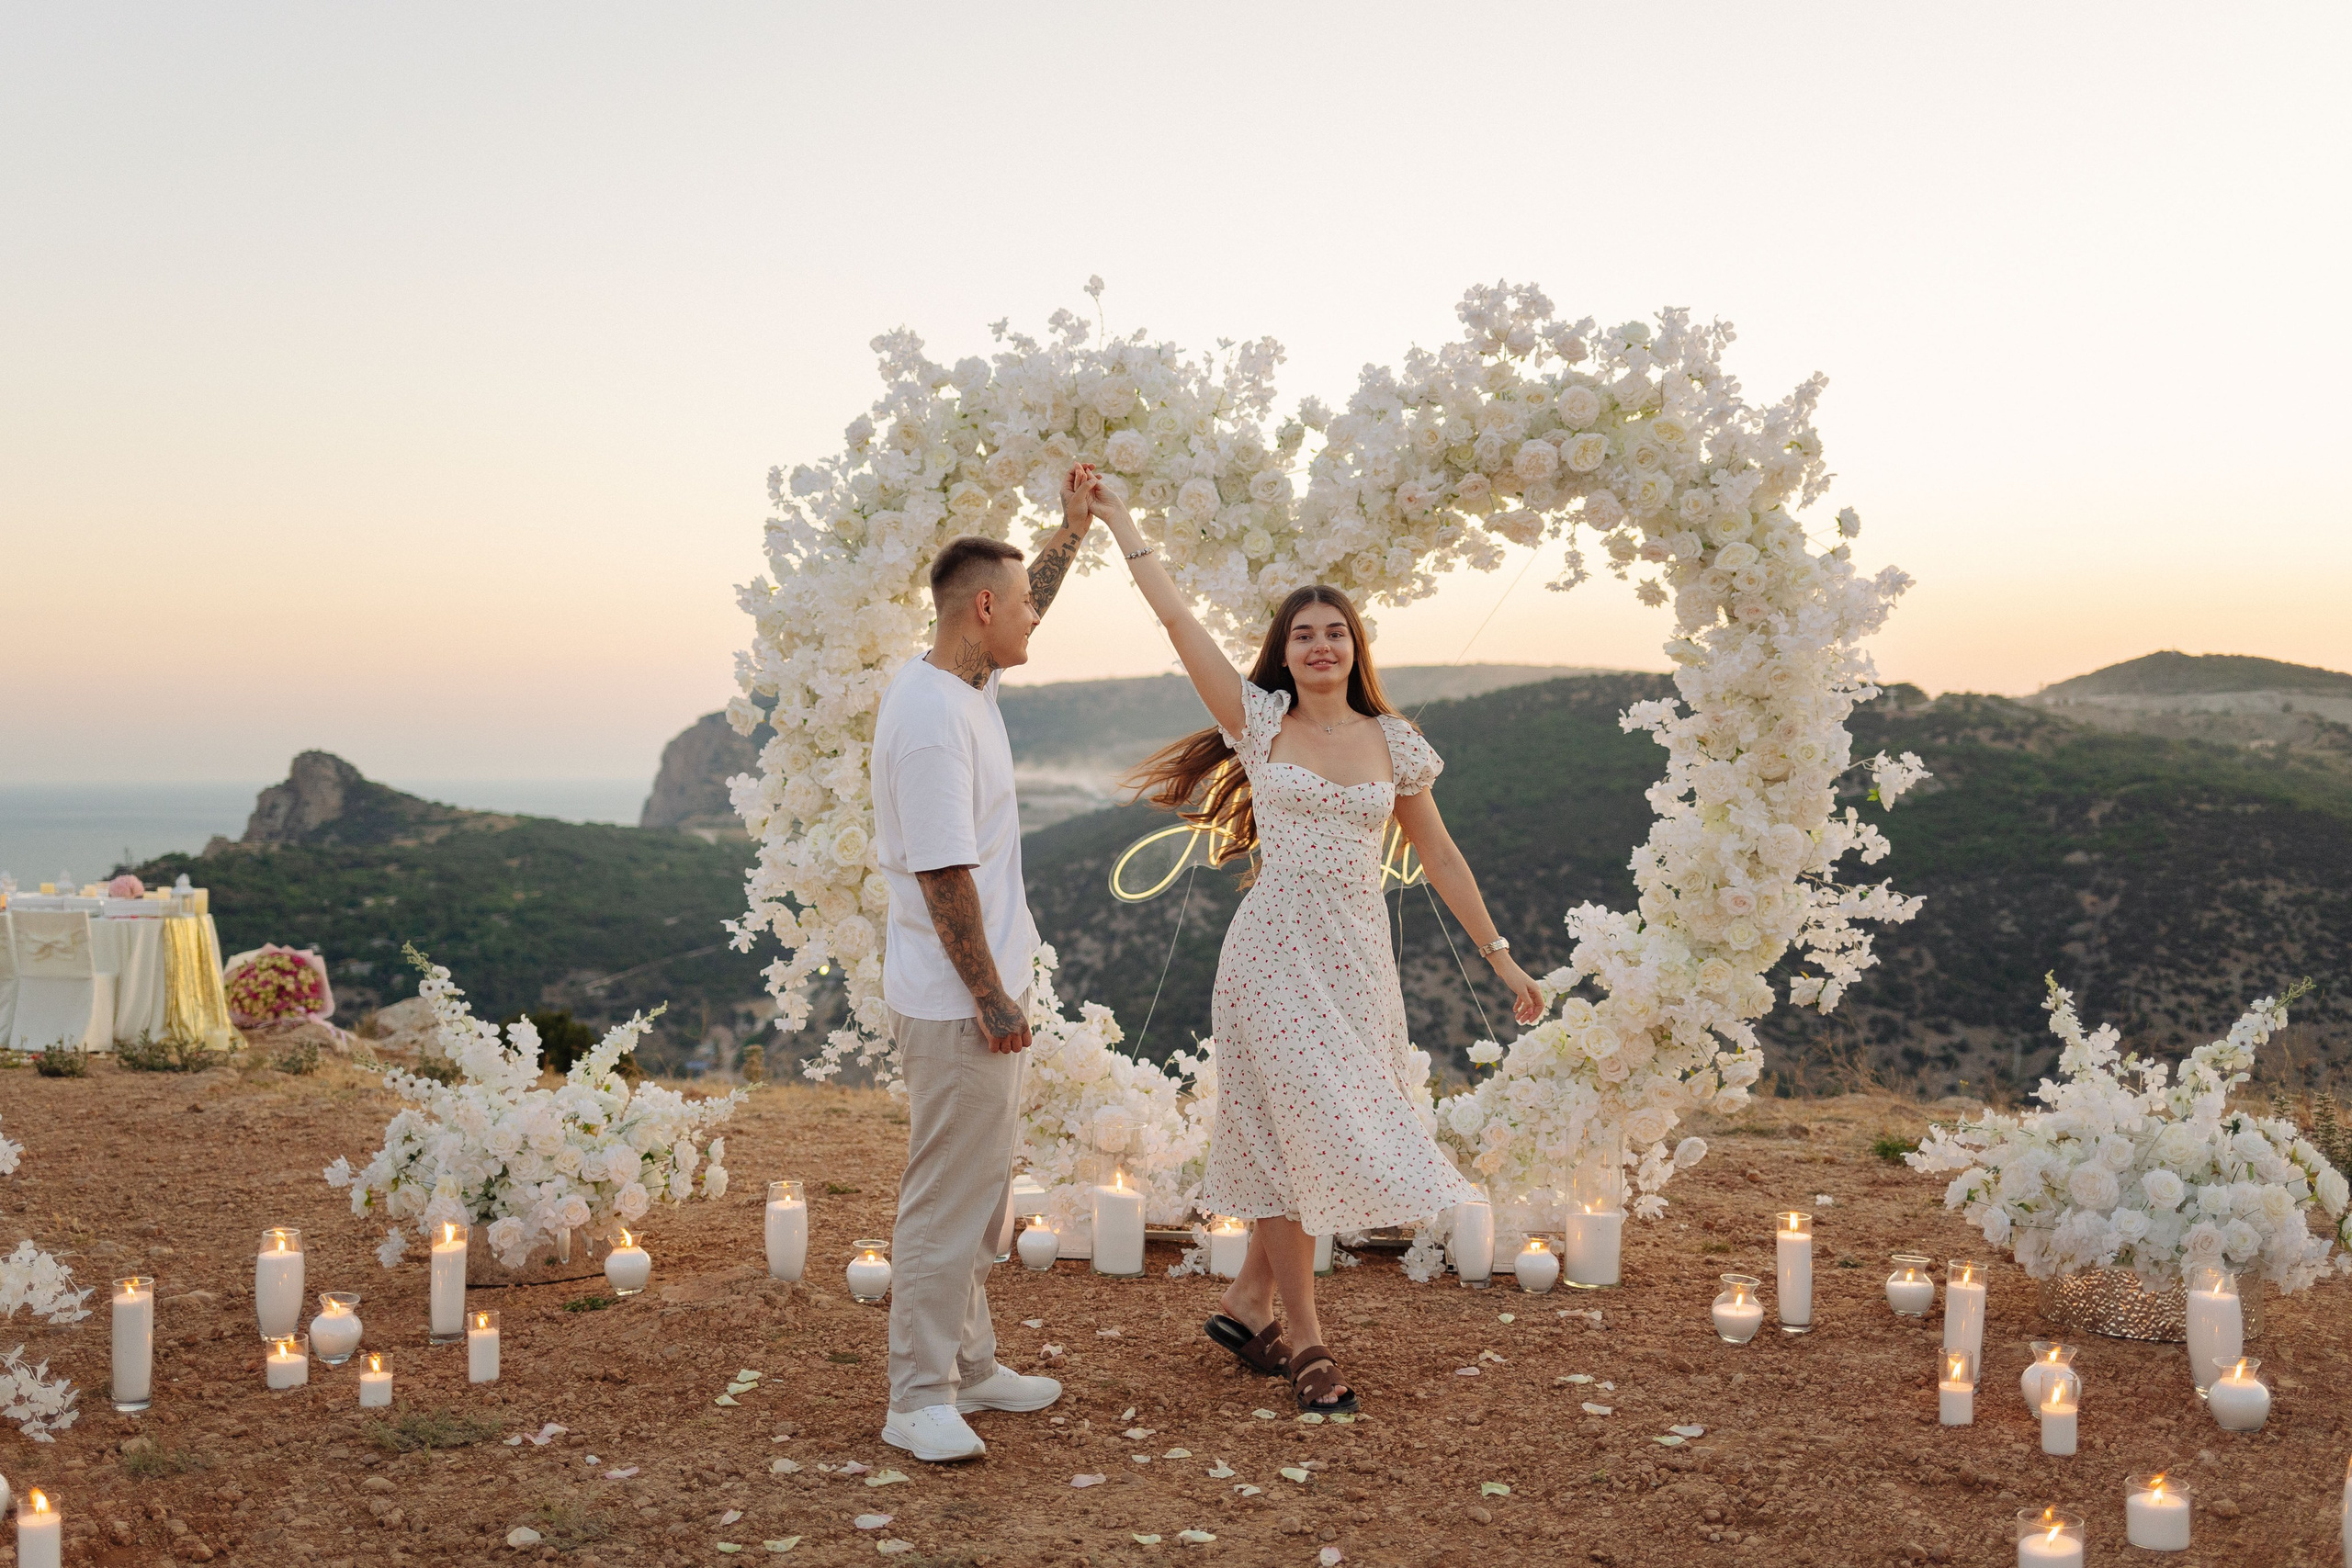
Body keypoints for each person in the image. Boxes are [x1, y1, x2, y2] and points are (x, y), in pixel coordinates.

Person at [1081, 468, 1544, 1414]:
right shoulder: (1259, 723)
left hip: (1358, 958)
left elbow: (1441, 855)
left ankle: (1247, 1301)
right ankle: (1307, 1341)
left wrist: (1500, 955)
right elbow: (1178, 621)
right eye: (1303, 633)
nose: (1321, 644)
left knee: (1317, 1131)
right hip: (1270, 952)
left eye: (1335, 631)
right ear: (1283, 652)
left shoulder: (1394, 741)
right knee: (1293, 1129)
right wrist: (1122, 522)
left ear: (1355, 647)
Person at [866, 467, 1098, 1462]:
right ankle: (917, 1397)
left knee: (981, 1197)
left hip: (977, 993)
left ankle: (970, 1367)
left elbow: (1029, 591)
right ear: (984, 612)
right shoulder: (930, 721)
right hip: (958, 1001)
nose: (1037, 617)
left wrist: (1070, 530)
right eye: (1022, 606)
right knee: (945, 1201)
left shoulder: (962, 681)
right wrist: (992, 995)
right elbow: (942, 873)